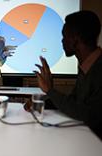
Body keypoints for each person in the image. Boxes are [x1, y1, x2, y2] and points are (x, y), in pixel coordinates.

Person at [33, 10, 102, 138]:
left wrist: (50, 90)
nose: (62, 41)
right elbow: (74, 102)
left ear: (76, 39)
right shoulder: (87, 66)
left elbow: (87, 115)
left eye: (64, 36)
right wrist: (40, 103)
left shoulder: (98, 70)